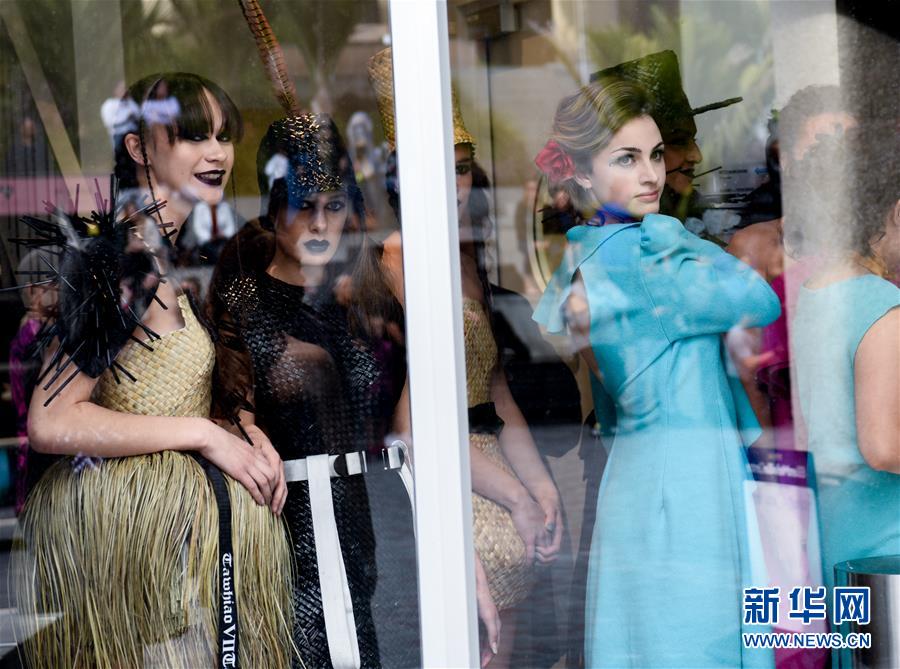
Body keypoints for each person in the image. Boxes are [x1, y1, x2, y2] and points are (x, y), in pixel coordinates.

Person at [16, 72, 294, 668]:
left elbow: (178, 385)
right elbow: (51, 421)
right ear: (138, 147)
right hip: (136, 552)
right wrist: (204, 436)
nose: (217, 152)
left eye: (223, 135)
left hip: (178, 548)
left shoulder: (173, 256)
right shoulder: (122, 260)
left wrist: (243, 431)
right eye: (194, 135)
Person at [533, 78, 779, 667]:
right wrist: (681, 237)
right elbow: (758, 298)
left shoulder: (586, 255)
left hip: (642, 472)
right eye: (627, 158)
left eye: (655, 155)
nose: (651, 175)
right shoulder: (647, 254)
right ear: (582, 173)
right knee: (696, 640)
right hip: (683, 481)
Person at [368, 47, 564, 669]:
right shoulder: (397, 258)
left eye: (461, 168)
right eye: (435, 167)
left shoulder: (465, 256)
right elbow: (412, 423)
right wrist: (517, 497)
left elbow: (495, 387)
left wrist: (539, 487)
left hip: (496, 474)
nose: (453, 184)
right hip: (444, 479)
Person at [209, 112, 418, 669]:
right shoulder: (244, 299)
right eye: (304, 205)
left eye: (335, 205)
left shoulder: (370, 295)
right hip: (287, 529)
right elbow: (232, 416)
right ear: (274, 207)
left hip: (381, 520)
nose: (321, 223)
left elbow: (407, 428)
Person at [787, 122, 899, 595]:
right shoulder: (881, 305)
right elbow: (884, 447)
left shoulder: (816, 293)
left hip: (838, 529)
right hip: (887, 540)